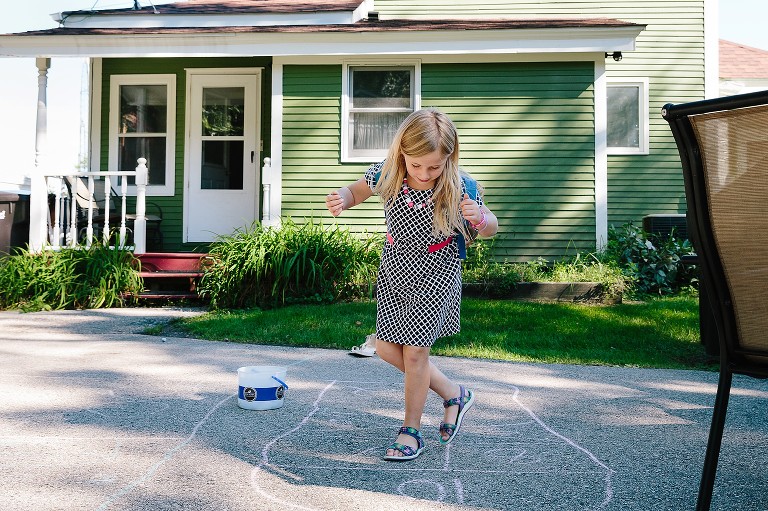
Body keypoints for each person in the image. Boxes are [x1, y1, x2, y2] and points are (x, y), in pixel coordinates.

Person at [325, 108, 498, 461]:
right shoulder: (388, 173)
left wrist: (480, 218)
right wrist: (344, 197)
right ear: (402, 151)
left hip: (438, 270)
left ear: (449, 157)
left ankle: (411, 431)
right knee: (388, 348)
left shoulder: (460, 185)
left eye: (434, 166)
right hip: (395, 269)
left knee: (416, 352)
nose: (424, 173)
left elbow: (491, 224)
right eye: (416, 164)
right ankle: (454, 393)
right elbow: (357, 191)